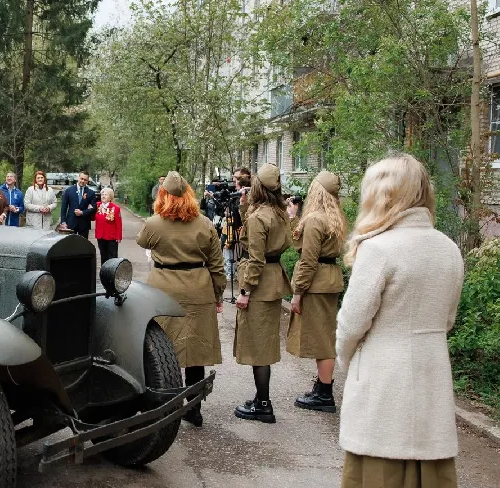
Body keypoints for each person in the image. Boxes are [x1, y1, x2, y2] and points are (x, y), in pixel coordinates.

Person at [336, 153, 463, 488]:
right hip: (431, 372)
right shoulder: (449, 248)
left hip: (384, 378)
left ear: (382, 194)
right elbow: (449, 318)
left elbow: (351, 323)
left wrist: (347, 360)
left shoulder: (378, 249)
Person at [137, 171, 226, 427]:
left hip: (163, 291)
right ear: (189, 194)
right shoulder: (204, 223)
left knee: (164, 349)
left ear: (162, 195)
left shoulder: (154, 223)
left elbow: (142, 240)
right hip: (198, 289)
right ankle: (194, 408)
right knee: (194, 352)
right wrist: (217, 295)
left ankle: (167, 406)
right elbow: (217, 266)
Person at [233, 163, 292, 424]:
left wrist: (245, 290)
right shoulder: (280, 213)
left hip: (259, 283)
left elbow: (255, 260)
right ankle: (260, 399)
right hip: (274, 280)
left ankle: (264, 405)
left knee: (259, 347)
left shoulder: (259, 218)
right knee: (265, 342)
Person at [286, 172, 345, 413]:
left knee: (322, 340)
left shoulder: (314, 220)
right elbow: (301, 244)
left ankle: (325, 393)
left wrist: (297, 293)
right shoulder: (336, 218)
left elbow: (308, 260)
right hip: (329, 279)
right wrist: (293, 219)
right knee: (325, 336)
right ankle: (322, 386)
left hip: (316, 283)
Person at [59, 171, 97, 237]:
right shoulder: (68, 191)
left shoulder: (91, 193)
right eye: (81, 178)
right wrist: (63, 222)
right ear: (78, 178)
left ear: (87, 181)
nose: (83, 181)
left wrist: (82, 212)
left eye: (85, 180)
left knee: (82, 246)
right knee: (70, 245)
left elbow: (94, 208)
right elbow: (64, 208)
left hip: (84, 224)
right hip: (70, 223)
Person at [93, 187, 123, 264]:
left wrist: (118, 237)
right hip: (100, 236)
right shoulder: (96, 206)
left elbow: (118, 224)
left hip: (111, 237)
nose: (103, 196)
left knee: (112, 257)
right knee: (103, 256)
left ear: (110, 197)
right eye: (102, 194)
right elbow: (92, 218)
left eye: (105, 194)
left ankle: (112, 275)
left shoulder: (115, 208)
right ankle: (104, 274)